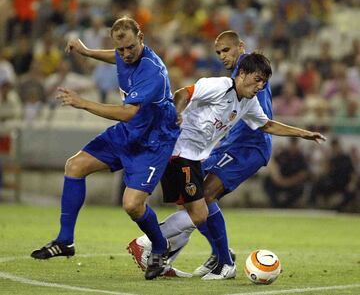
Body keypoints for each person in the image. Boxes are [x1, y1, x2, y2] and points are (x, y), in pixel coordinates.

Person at [128, 51, 326, 280]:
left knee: (193, 211)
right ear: (242, 73)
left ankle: (159, 252)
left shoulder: (249, 102)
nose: (260, 86)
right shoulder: (219, 86)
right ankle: (148, 243)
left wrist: (303, 134)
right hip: (178, 152)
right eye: (257, 79)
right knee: (199, 212)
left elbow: (267, 125)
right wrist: (177, 113)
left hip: (191, 157)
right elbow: (183, 93)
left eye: (264, 81)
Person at [30, 17, 180, 281]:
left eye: (130, 47)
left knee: (132, 205)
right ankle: (65, 241)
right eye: (120, 48)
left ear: (141, 37)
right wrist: (86, 51)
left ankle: (159, 246)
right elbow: (115, 57)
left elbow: (127, 113)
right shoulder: (125, 54)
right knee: (75, 166)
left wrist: (83, 102)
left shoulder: (152, 72)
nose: (125, 54)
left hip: (153, 140)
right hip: (129, 134)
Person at [128, 30, 273, 279]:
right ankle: (190, 255)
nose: (222, 56)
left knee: (203, 197)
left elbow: (260, 121)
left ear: (241, 47)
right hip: (214, 148)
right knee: (191, 200)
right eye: (218, 52)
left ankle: (217, 258)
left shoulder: (251, 76)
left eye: (226, 50)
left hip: (246, 148)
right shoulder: (231, 81)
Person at [264, 137, 309, 208]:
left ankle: (288, 205)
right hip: (280, 180)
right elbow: (273, 165)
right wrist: (277, 178)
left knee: (300, 187)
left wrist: (288, 182)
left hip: (293, 182)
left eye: (294, 144)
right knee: (268, 181)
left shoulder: (301, 157)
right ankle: (275, 204)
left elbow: (303, 173)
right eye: (292, 143)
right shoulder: (282, 154)